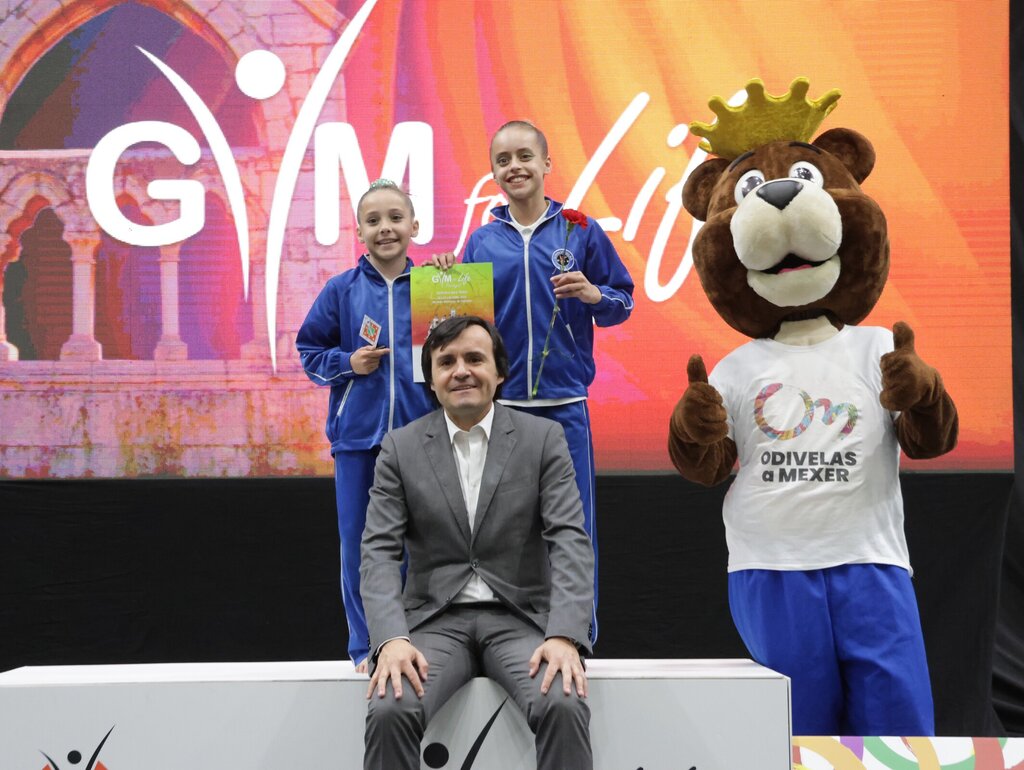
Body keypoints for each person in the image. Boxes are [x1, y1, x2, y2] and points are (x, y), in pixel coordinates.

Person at [361, 316, 594, 770]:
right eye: (446, 362)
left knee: (563, 701)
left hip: (520, 618)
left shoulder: (543, 439)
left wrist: (564, 634)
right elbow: (378, 552)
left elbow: (569, 540)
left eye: (474, 358)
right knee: (390, 707)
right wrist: (390, 638)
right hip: (433, 621)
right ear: (431, 379)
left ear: (499, 372)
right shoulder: (399, 448)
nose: (461, 371)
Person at [434, 120, 634, 642]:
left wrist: (594, 295)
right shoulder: (481, 241)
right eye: (503, 160)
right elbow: (462, 322)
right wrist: (445, 277)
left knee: (572, 528)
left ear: (546, 163)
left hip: (565, 404)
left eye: (524, 156)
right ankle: (516, 636)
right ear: (494, 173)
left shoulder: (580, 230)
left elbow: (623, 303)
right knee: (505, 532)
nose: (514, 167)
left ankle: (576, 637)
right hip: (501, 410)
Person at [296, 179, 433, 671]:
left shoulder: (435, 286)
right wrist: (348, 364)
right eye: (373, 220)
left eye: (395, 217)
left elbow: (464, 347)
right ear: (358, 231)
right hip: (358, 441)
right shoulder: (341, 290)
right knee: (359, 546)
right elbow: (309, 353)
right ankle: (366, 645)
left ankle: (420, 638)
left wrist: (450, 281)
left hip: (423, 439)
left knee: (424, 544)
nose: (385, 228)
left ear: (414, 225)